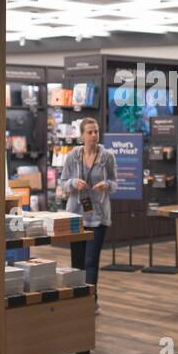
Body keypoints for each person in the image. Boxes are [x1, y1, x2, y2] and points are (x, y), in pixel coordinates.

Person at [58, 117, 118, 313]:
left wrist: (106, 185)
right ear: (82, 135)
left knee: (91, 261)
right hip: (75, 215)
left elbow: (115, 184)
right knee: (77, 262)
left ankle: (90, 301)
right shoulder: (72, 156)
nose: (94, 135)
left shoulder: (107, 156)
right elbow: (63, 183)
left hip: (98, 216)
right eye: (90, 132)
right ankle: (78, 298)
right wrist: (73, 183)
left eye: (96, 132)